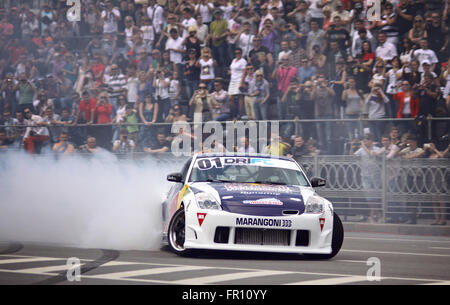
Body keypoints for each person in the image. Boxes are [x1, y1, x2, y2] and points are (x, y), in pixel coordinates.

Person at [350, 133, 382, 223]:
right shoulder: (361, 150)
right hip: (365, 175)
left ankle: (375, 213)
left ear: (371, 140)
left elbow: (372, 155)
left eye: (366, 140)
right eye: (363, 140)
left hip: (376, 174)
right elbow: (352, 157)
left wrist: (363, 147)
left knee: (376, 195)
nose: (364, 142)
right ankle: (374, 212)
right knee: (368, 195)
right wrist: (351, 148)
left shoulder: (377, 149)